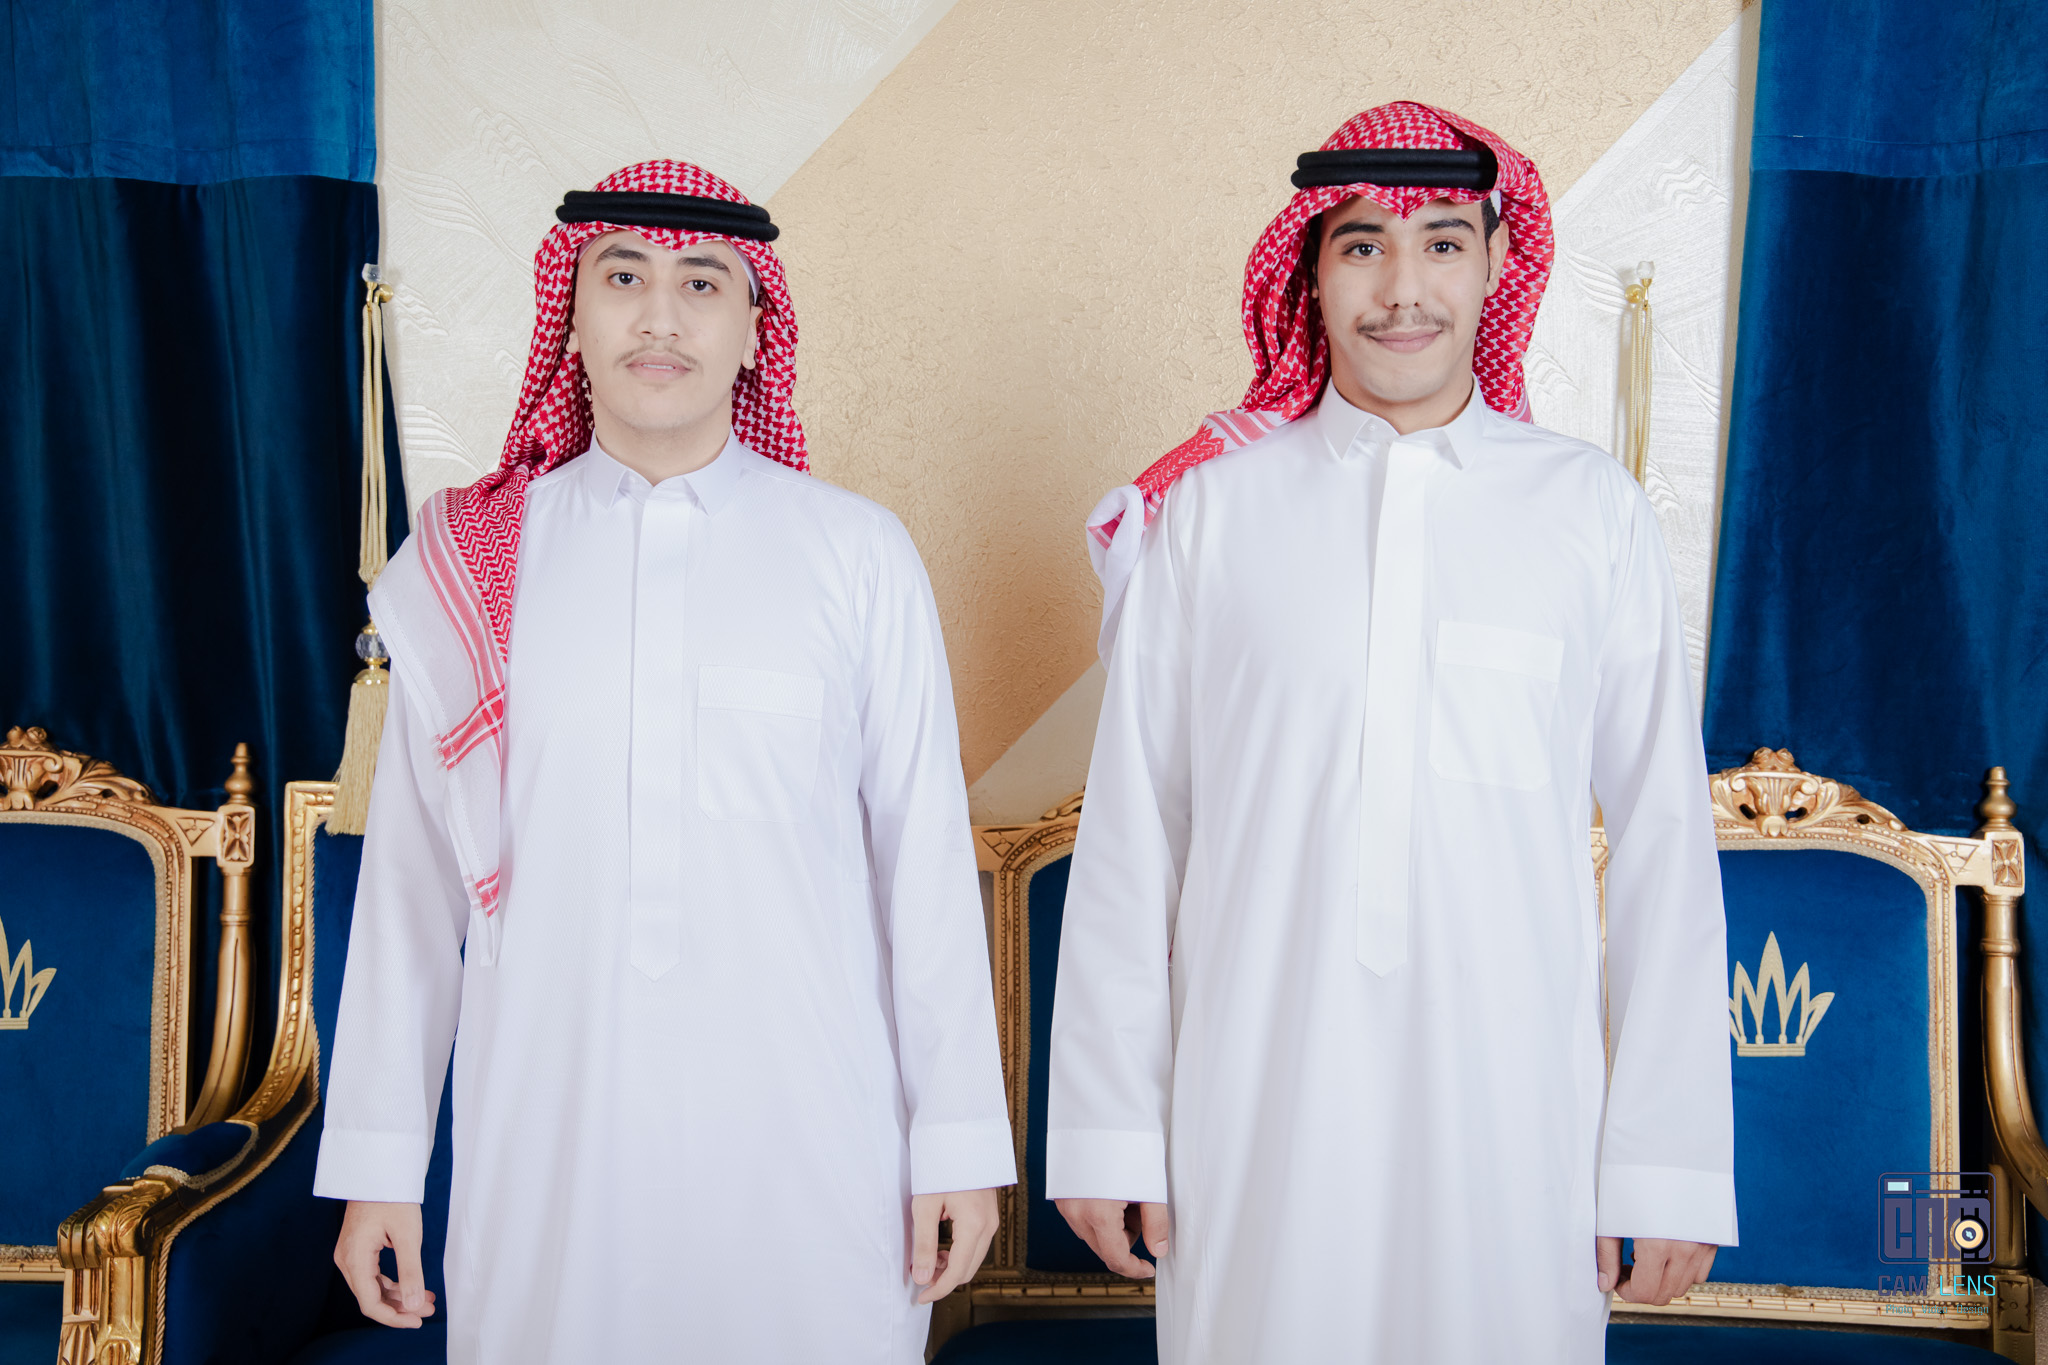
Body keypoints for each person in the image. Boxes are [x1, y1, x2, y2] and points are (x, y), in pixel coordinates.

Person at [1046, 103, 1735, 1363]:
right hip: (1251, 1110)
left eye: (1441, 244)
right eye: (1361, 246)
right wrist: (1105, 1132)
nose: (1402, 288)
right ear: (1309, 273)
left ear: (1495, 262)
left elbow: (1661, 849)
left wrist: (1665, 1160)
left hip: (1513, 1120)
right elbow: (1136, 838)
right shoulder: (1209, 515)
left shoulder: (1588, 511)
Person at [313, 160, 1015, 1363]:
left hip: (811, 1138)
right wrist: (381, 1164)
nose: (660, 316)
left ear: (752, 328)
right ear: (570, 314)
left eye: (701, 283)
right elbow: (412, 892)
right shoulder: (471, 569)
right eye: (623, 276)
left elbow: (925, 878)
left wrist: (953, 1143)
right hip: (547, 1138)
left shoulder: (854, 555)